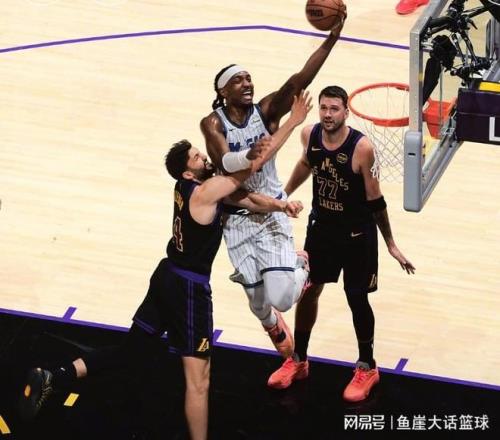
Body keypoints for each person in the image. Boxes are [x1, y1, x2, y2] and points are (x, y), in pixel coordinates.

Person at [18, 92, 310, 440]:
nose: (205, 158)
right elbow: (255, 163)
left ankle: (57, 375)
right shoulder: (205, 192)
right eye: (198, 157)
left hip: (166, 275)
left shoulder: (189, 188)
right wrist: (293, 121)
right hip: (188, 289)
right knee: (199, 382)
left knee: (132, 350)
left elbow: (245, 198)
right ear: (188, 171)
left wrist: (280, 206)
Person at [200, 15, 346, 360]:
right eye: (238, 80)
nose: (247, 83)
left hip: (271, 210)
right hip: (237, 215)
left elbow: (300, 78)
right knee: (258, 301)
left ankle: (301, 263)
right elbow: (225, 163)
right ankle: (271, 325)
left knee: (282, 297)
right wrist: (248, 156)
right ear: (223, 91)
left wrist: (331, 38)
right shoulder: (212, 123)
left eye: (249, 77)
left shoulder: (265, 111)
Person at [267, 86, 415, 403]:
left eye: (334, 109)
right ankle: (298, 360)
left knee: (356, 298)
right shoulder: (309, 134)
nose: (328, 114)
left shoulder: (362, 148)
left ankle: (367, 367)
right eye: (324, 108)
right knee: (309, 291)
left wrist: (391, 244)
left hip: (357, 235)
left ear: (346, 112)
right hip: (322, 229)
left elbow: (376, 201)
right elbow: (306, 163)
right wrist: (282, 197)